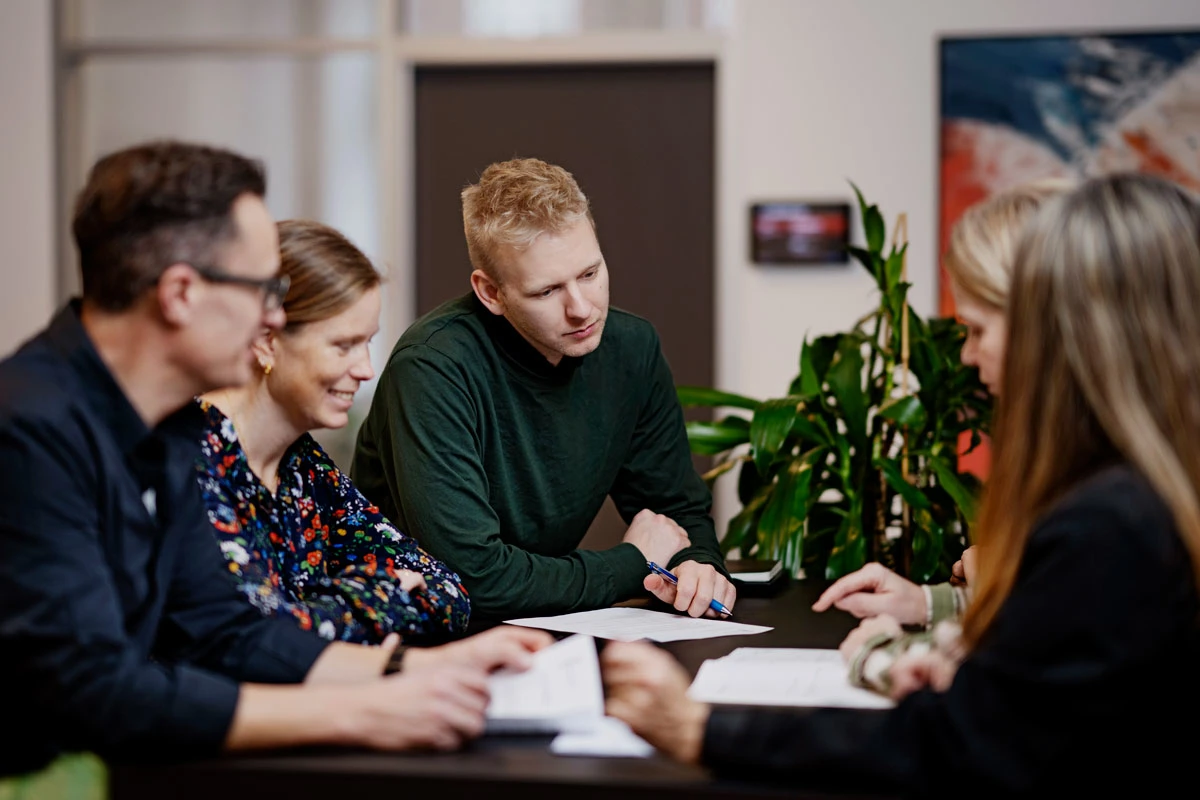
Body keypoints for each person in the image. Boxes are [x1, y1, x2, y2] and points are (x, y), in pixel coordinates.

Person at [601, 173, 1200, 794]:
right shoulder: (1146, 495)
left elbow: (966, 748)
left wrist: (702, 730)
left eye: (978, 330)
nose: (968, 357)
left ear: (1059, 334)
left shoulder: (1109, 525)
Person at [0, 140, 551, 782]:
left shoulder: (165, 423)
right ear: (181, 293)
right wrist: (366, 711)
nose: (273, 317)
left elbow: (225, 630)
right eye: (265, 289)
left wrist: (416, 669)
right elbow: (97, 693)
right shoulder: (31, 428)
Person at [351, 157, 734, 619]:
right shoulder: (433, 367)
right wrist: (634, 564)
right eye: (547, 291)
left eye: (590, 274)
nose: (582, 308)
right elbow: (472, 578)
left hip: (536, 628)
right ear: (490, 292)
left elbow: (675, 510)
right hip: (411, 632)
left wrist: (698, 564)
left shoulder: (632, 348)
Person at [812, 179, 1072, 697]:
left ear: (1039, 326)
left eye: (977, 330)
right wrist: (930, 604)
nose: (968, 357)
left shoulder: (1107, 506)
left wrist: (880, 655)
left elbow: (1013, 701)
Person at [196, 219, 470, 644]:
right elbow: (263, 640)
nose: (365, 369)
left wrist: (329, 607)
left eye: (367, 343)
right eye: (344, 345)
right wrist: (380, 590)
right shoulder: (189, 461)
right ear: (267, 340)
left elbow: (447, 594)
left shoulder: (303, 466)